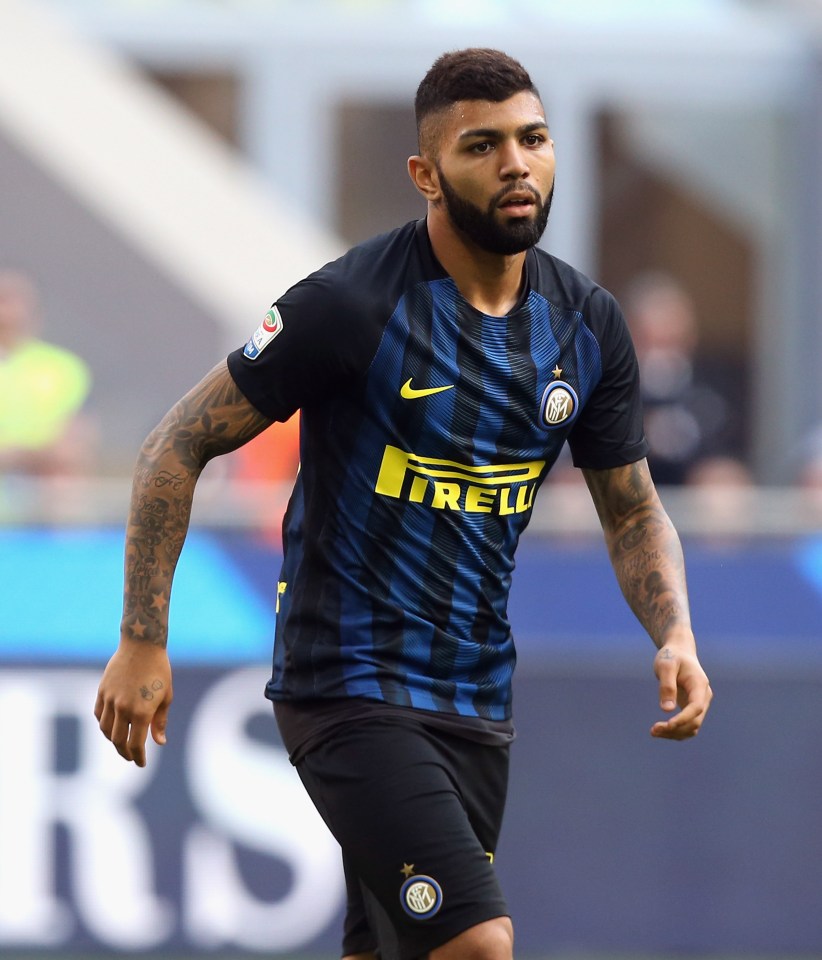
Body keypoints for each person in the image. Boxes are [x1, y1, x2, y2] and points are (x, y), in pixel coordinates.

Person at [95, 49, 712, 960]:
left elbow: (630, 509)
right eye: (483, 145)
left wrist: (676, 635)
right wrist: (144, 636)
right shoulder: (350, 305)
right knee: (477, 944)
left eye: (533, 139)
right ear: (425, 173)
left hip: (475, 695)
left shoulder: (587, 327)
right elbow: (175, 446)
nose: (516, 163)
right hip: (345, 682)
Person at [0, 269, 94, 477]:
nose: (7, 312)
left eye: (14, 301)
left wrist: (17, 456)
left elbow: (71, 450)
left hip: (40, 497)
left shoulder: (64, 368)